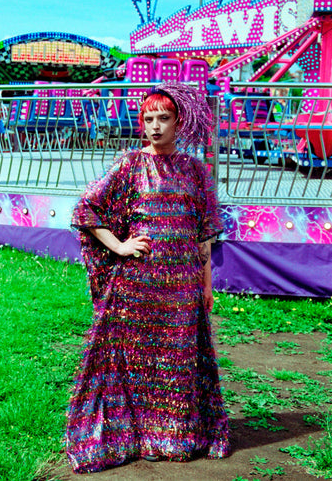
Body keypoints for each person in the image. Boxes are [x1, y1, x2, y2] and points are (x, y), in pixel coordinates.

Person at [66, 82, 230, 474]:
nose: (155, 127)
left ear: (179, 121)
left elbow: (204, 234)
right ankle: (135, 435)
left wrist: (205, 285)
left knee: (176, 363)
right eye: (148, 118)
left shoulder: (194, 170)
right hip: (137, 286)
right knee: (136, 364)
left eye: (164, 118)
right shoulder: (128, 165)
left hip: (181, 288)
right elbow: (86, 211)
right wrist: (119, 246)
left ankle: (171, 434)